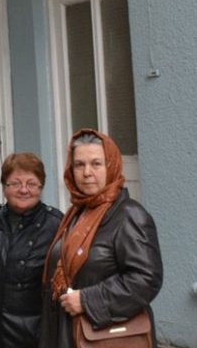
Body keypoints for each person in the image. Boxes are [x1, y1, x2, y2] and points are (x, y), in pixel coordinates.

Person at [39, 129, 162, 348]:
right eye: (79, 165)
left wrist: (88, 300)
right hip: (68, 332)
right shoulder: (76, 213)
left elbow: (146, 279)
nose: (87, 172)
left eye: (96, 164)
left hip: (106, 337)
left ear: (111, 166)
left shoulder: (129, 215)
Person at [0, 153, 63, 348]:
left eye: (31, 184)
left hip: (33, 337)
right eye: (15, 183)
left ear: (41, 187)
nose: (24, 190)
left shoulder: (55, 225)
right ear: (4, 186)